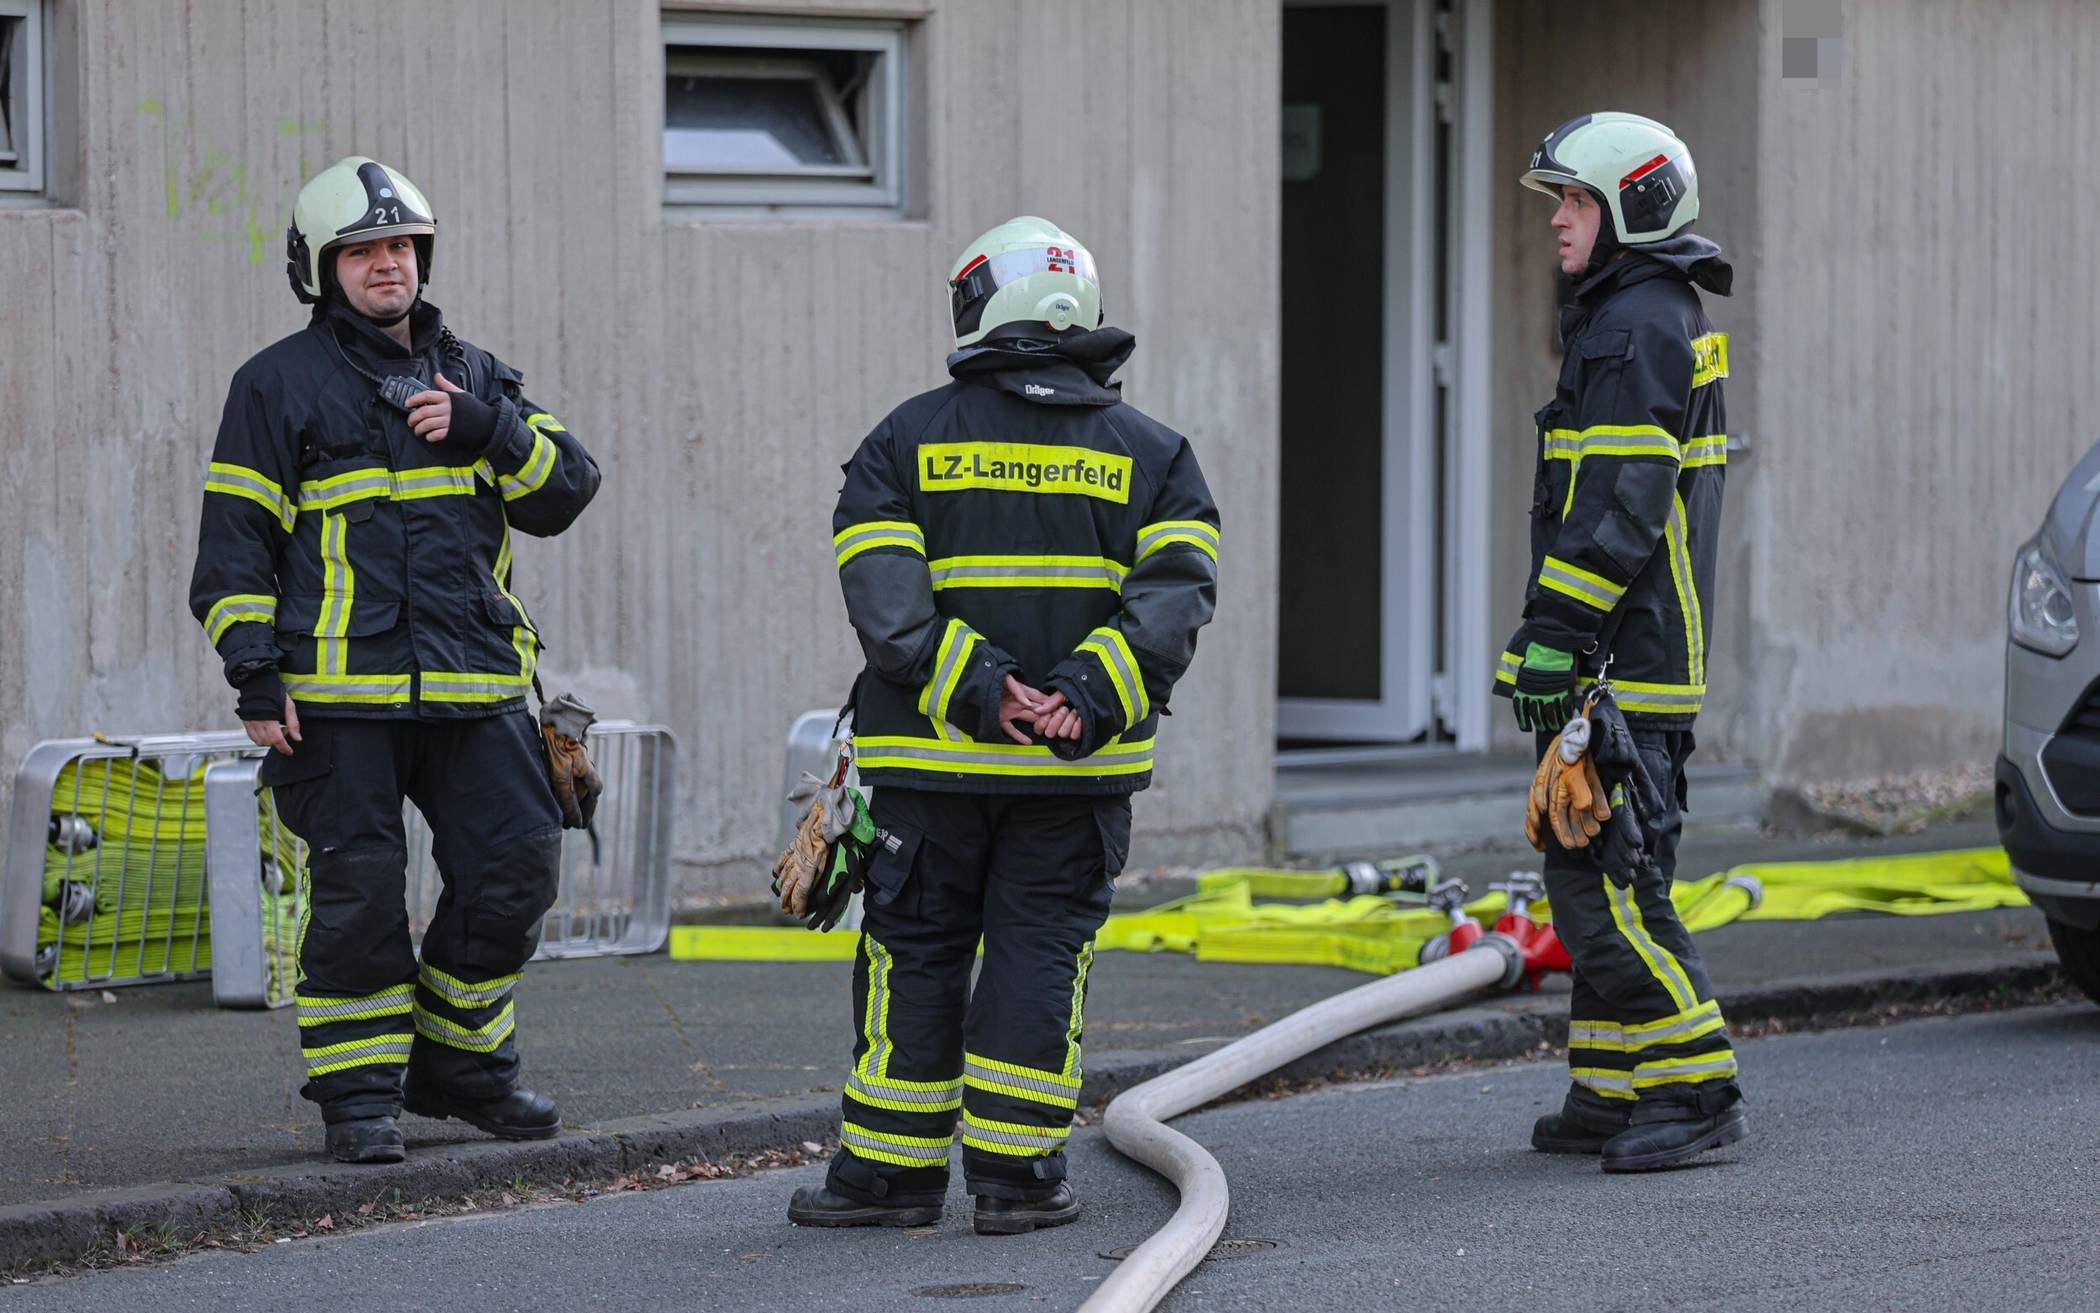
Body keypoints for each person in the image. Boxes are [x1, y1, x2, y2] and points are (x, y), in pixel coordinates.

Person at [789, 216, 1221, 1234]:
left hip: (928, 769)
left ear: (982, 303)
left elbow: (886, 603)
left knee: (913, 948)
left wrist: (987, 691)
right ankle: (1018, 1177)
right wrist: (1083, 694)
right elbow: (1178, 595)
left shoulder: (903, 439)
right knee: (1041, 952)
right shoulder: (1156, 455)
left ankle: (888, 1177)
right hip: (1076, 773)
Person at [187, 156, 600, 1164]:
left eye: (401, 247)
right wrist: (255, 672)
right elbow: (234, 546)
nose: (387, 265)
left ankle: (460, 1066)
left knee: (515, 872)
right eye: (363, 250)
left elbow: (570, 487)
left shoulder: (478, 375)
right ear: (320, 268)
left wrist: (490, 430)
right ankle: (360, 1094)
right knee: (361, 896)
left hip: (477, 688)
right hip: (337, 703)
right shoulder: (274, 385)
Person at [1496, 113, 1746, 1171]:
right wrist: (1544, 639)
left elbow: (1619, 507)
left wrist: (1555, 637)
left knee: (1605, 879)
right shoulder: (1638, 314)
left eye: (1577, 201)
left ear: (1630, 209)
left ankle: (1696, 1086)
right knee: (1594, 851)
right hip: (1635, 652)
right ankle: (1610, 1082)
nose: (1558, 220)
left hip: (1626, 657)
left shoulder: (1633, 325)